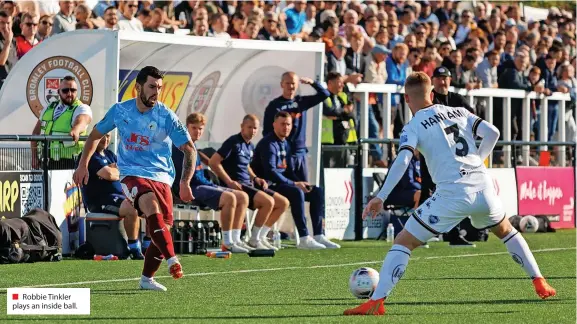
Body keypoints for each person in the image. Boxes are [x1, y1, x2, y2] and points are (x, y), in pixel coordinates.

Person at [344, 72, 556, 316]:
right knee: (507, 231)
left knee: (403, 241)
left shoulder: (412, 126)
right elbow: (493, 133)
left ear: (406, 99)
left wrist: (380, 196)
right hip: (484, 188)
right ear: (432, 94)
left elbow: (403, 161)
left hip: (452, 195)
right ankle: (539, 280)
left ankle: (376, 302)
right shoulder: (459, 111)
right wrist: (478, 159)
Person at [73, 66, 197, 292]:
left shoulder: (166, 115)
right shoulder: (121, 111)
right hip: (131, 174)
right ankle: (173, 259)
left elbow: (189, 149)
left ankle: (146, 279)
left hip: (162, 176)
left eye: (159, 88)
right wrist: (83, 166)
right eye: (151, 87)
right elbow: (93, 136)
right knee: (149, 204)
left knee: (163, 230)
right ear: (138, 87)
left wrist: (185, 181)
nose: (156, 92)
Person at [253, 111, 340, 250]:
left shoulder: (286, 143)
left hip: (283, 184)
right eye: (282, 124)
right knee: (296, 192)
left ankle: (318, 234)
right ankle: (304, 238)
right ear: (274, 125)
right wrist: (294, 184)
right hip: (268, 186)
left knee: (316, 191)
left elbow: (287, 171)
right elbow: (271, 172)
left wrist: (300, 183)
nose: (285, 127)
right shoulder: (268, 143)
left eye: (288, 124)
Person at [172, 112, 253, 253]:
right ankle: (227, 242)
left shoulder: (194, 146)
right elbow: (188, 178)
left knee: (243, 196)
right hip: (189, 188)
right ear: (187, 128)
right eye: (194, 128)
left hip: (201, 185)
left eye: (201, 128)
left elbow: (199, 175)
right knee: (230, 198)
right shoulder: (181, 146)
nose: (198, 131)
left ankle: (236, 239)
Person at [209, 114, 289, 250]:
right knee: (268, 202)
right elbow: (213, 162)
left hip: (249, 184)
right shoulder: (233, 142)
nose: (252, 131)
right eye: (249, 127)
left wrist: (255, 178)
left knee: (283, 203)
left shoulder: (250, 146)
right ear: (242, 127)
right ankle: (250, 239)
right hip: (237, 185)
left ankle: (260, 237)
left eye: (255, 128)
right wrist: (229, 182)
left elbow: (246, 165)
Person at [428, 66, 477, 247]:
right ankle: (426, 231)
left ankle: (453, 234)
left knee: (453, 192)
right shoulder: (429, 98)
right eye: (439, 78)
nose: (443, 81)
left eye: (446, 78)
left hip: (453, 156)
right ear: (433, 80)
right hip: (431, 152)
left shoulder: (456, 99)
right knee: (428, 189)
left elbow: (473, 117)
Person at [77, 132, 146, 259]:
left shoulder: (110, 155)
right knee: (132, 209)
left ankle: (148, 245)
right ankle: (134, 248)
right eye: (103, 135)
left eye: (108, 136)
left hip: (120, 198)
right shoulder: (89, 156)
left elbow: (126, 170)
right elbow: (109, 175)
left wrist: (115, 169)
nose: (106, 139)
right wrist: (115, 170)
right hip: (101, 201)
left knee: (150, 206)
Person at [262, 71, 330, 182]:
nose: (291, 86)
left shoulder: (301, 102)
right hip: (284, 154)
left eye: (293, 83)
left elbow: (325, 94)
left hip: (300, 153)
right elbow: (267, 132)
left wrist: (313, 82)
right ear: (282, 84)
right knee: (287, 188)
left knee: (304, 188)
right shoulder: (274, 106)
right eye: (287, 83)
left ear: (297, 84)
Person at [32, 75, 92, 170]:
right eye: (65, 91)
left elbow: (83, 120)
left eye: (73, 90)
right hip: (47, 160)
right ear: (58, 92)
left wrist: (76, 130)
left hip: (70, 163)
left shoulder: (82, 107)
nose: (69, 93)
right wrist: (34, 157)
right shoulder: (49, 107)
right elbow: (36, 133)